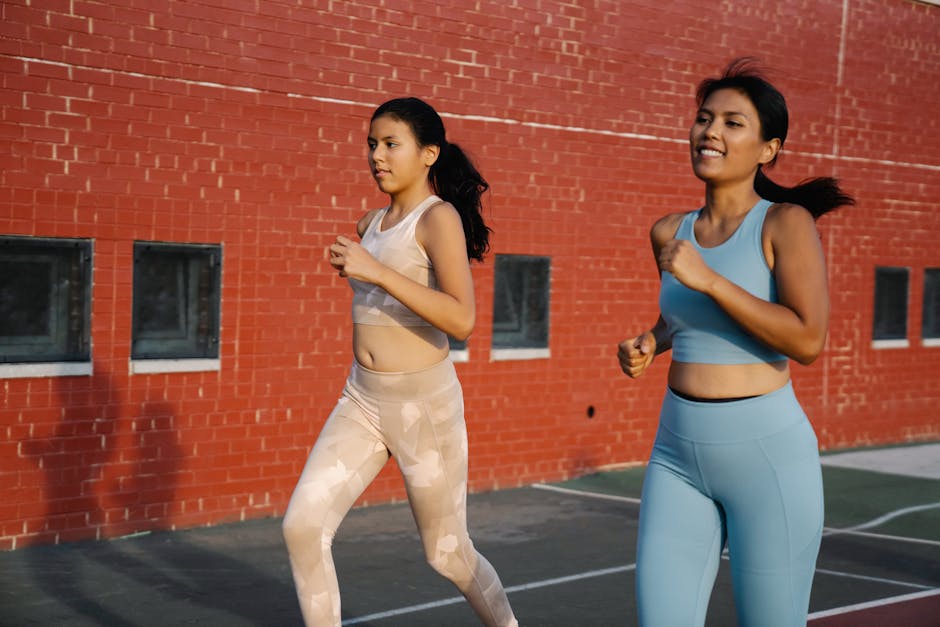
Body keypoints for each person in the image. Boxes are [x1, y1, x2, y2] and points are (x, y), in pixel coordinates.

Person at [617, 58, 854, 627]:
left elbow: (807, 339)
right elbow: (687, 320)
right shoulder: (668, 233)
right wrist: (652, 339)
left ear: (768, 149)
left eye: (732, 123)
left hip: (766, 456)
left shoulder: (785, 223)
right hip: (676, 453)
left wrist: (711, 280)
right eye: (704, 119)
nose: (711, 133)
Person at [282, 97, 518, 627]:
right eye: (372, 144)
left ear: (429, 153)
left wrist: (376, 271)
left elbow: (462, 320)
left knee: (447, 554)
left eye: (391, 144)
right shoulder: (371, 222)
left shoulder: (439, 219)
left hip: (423, 409)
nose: (377, 156)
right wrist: (360, 264)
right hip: (361, 399)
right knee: (302, 525)